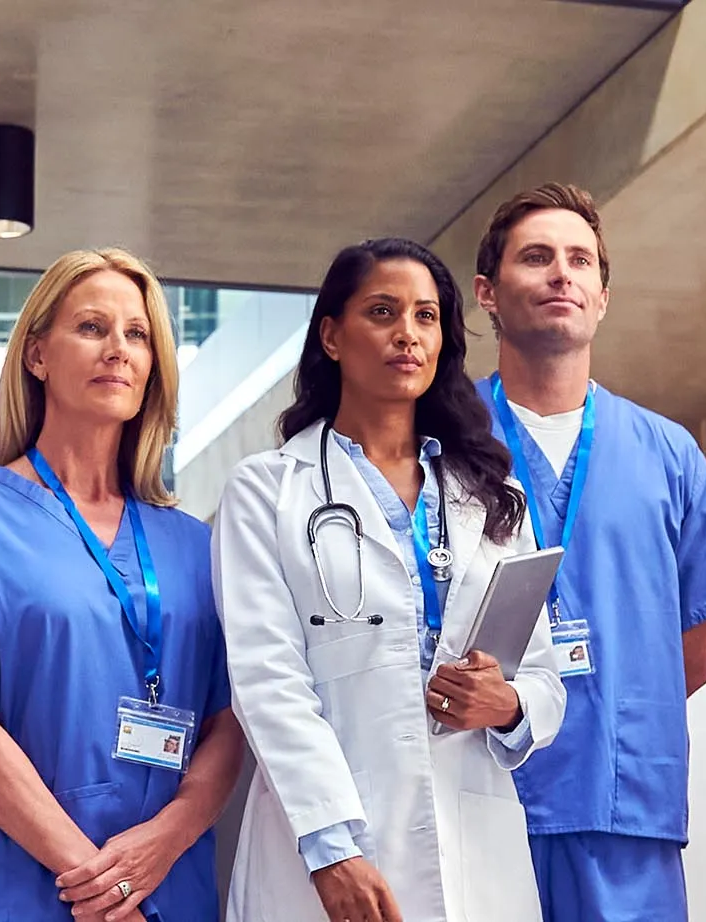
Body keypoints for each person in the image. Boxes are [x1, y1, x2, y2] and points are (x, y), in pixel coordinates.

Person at [0, 249, 243, 922]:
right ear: (37, 354)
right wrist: (98, 884)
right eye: (92, 328)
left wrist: (167, 839)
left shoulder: (193, 545)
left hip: (171, 886)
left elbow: (227, 718)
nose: (117, 350)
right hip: (30, 887)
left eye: (137, 334)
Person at [214, 237, 565, 922]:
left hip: (477, 849)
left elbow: (544, 679)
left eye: (425, 316)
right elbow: (267, 681)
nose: (407, 334)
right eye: (382, 311)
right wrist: (330, 850)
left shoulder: (492, 496)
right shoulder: (268, 490)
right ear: (332, 336)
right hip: (325, 853)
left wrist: (507, 706)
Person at [468, 182, 706, 922]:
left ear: (603, 296)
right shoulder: (442, 446)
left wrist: (607, 715)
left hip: (626, 805)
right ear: (487, 292)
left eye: (580, 260)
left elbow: (692, 648)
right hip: (481, 797)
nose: (562, 274)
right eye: (537, 257)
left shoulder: (668, 456)